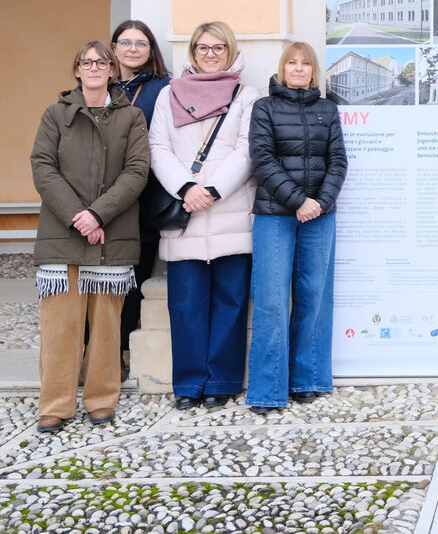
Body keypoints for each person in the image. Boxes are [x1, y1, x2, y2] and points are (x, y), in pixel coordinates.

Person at [30, 40, 149, 432]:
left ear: (113, 70)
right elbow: (43, 167)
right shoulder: (55, 115)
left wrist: (98, 214)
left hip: (111, 234)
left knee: (105, 327)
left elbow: (136, 172)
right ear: (77, 70)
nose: (95, 67)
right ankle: (56, 403)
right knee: (60, 326)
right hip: (62, 233)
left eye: (102, 62)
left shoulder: (131, 118)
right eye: (87, 61)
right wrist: (78, 216)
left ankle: (101, 398)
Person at [149, 21, 258, 411]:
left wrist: (212, 190)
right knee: (186, 304)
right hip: (185, 215)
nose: (210, 55)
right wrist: (186, 189)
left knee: (231, 301)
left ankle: (223, 381)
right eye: (202, 48)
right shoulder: (168, 95)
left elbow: (247, 150)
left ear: (230, 52)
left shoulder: (246, 96)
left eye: (218, 48)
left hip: (229, 210)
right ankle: (189, 383)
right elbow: (158, 147)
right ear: (192, 52)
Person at [246, 42, 348, 413]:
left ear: (314, 70)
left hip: (320, 215)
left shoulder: (328, 110)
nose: (299, 68)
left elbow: (338, 160)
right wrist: (298, 201)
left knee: (314, 297)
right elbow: (263, 160)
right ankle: (268, 390)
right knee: (272, 301)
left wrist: (319, 202)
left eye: (306, 63)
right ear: (282, 68)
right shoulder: (265, 108)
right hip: (275, 215)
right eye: (292, 62)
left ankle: (308, 379)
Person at [110, 20, 171, 380]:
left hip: (146, 196)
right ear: (113, 46)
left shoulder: (164, 88)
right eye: (126, 42)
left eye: (142, 42)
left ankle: (119, 351)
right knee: (99, 278)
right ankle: (92, 349)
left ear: (151, 49)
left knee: (134, 276)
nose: (133, 49)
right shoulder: (100, 84)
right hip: (102, 198)